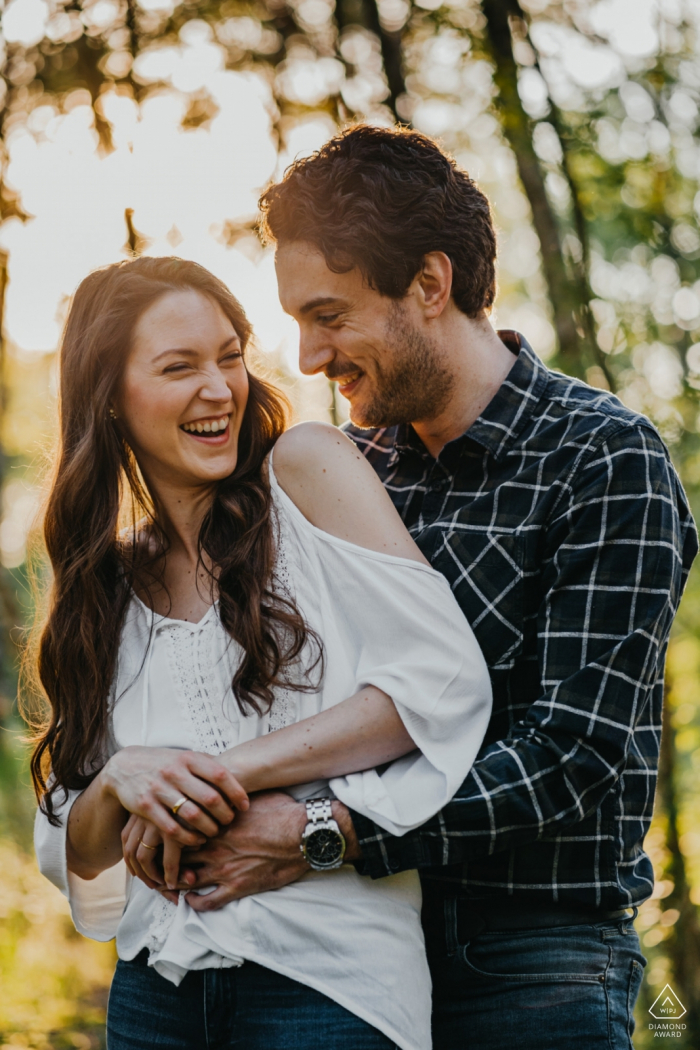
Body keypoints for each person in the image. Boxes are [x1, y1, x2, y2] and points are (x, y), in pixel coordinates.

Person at [159, 125, 698, 1050]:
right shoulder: (352, 467)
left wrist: (321, 831)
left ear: (430, 285)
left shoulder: (604, 458)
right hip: (352, 953)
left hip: (534, 963)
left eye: (329, 315)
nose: (311, 355)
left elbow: (573, 754)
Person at [31, 255, 494, 1050]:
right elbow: (89, 876)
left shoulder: (306, 472)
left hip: (327, 988)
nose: (219, 390)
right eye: (179, 367)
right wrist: (117, 783)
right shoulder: (101, 584)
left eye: (231, 355)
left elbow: (441, 681)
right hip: (155, 1000)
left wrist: (224, 775)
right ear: (110, 399)